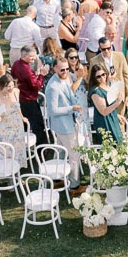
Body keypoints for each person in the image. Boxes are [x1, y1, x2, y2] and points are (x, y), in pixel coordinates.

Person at [43, 62, 84, 190]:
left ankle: (56, 179)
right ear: (54, 68)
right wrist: (71, 108)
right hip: (63, 125)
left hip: (68, 122)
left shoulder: (64, 78)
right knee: (74, 155)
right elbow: (52, 111)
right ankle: (74, 186)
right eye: (62, 69)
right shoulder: (53, 87)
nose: (65, 71)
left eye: (67, 69)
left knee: (60, 151)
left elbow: (70, 94)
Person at [11, 46, 49, 146]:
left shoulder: (15, 64)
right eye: (31, 57)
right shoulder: (27, 69)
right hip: (29, 101)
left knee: (23, 124)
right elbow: (36, 86)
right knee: (38, 125)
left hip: (19, 99)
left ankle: (24, 145)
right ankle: (41, 147)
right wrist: (41, 75)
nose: (34, 58)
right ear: (24, 55)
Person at [88, 64, 125, 145]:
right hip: (104, 121)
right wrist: (117, 103)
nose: (102, 78)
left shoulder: (108, 85)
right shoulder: (96, 92)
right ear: (94, 78)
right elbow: (103, 111)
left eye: (103, 74)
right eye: (98, 76)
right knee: (110, 145)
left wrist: (117, 115)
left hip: (112, 118)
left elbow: (109, 105)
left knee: (118, 141)